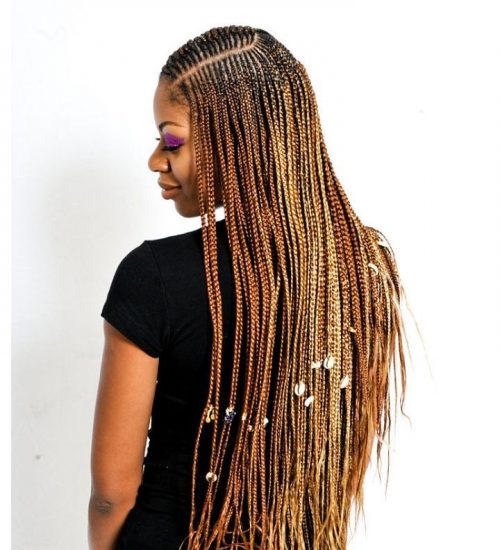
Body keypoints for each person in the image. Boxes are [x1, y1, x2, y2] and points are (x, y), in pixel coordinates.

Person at [88, 25, 413, 550]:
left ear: (236, 142)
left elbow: (111, 494)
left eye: (172, 140)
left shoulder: (153, 276)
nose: (156, 160)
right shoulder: (362, 270)